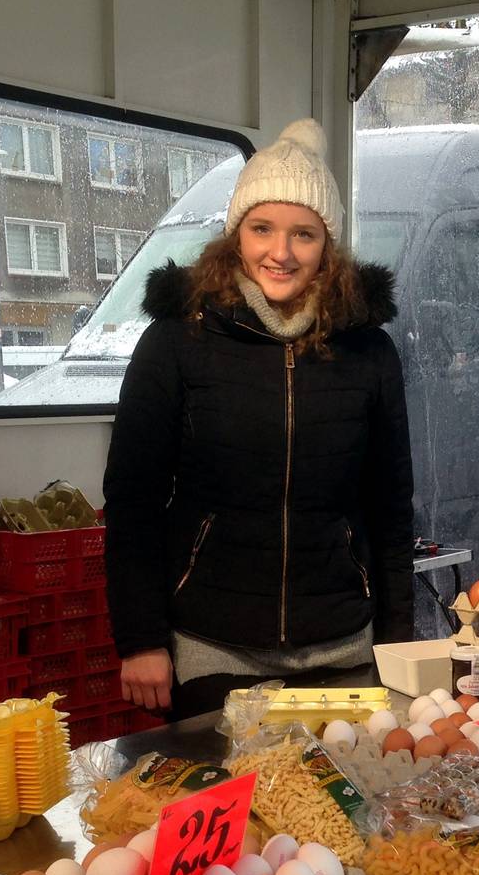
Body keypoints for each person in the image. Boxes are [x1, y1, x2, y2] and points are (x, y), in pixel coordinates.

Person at [103, 119, 415, 719]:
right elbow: (133, 500)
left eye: (304, 233)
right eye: (262, 228)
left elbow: (391, 509)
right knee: (237, 806)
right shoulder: (177, 341)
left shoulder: (368, 351)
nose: (281, 251)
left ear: (328, 245)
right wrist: (140, 639)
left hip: (343, 647)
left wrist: (398, 641)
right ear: (235, 235)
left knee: (338, 808)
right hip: (212, 649)